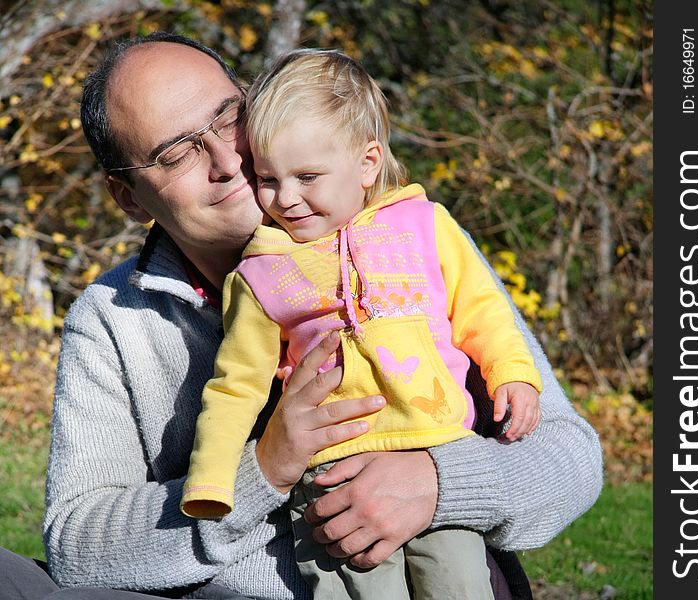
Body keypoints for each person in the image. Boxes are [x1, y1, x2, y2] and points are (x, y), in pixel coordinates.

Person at [0, 32, 603, 599]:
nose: (225, 161)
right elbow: (78, 545)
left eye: (228, 117)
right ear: (129, 197)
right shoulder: (114, 318)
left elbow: (570, 456)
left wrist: (438, 482)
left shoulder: (407, 241)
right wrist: (262, 471)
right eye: (175, 152)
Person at [180, 48, 544, 600]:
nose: (285, 198)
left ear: (368, 163)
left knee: (460, 583)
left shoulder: (425, 226)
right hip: (330, 471)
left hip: (435, 451)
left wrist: (514, 374)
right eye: (268, 178)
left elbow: (482, 311)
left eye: (307, 176)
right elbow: (236, 383)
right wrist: (212, 476)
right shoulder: (262, 274)